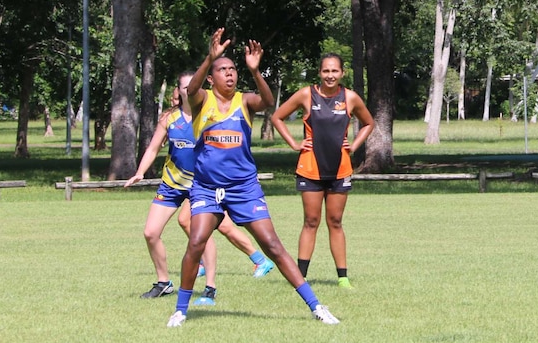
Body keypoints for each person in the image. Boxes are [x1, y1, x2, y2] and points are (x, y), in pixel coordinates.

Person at [167, 28, 339, 327]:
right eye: (224, 70)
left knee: (272, 245)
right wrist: (211, 57)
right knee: (195, 244)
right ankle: (181, 309)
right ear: (212, 77)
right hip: (207, 188)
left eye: (233, 70)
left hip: (243, 187)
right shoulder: (202, 100)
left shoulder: (245, 100)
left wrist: (256, 71)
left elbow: (269, 102)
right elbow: (190, 90)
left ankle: (316, 306)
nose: (230, 75)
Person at [126, 74, 275, 304]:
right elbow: (153, 148)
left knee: (200, 228)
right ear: (178, 91)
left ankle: (211, 287)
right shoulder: (169, 119)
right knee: (150, 232)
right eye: (184, 87)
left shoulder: (210, 114)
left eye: (191, 86)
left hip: (201, 185)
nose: (189, 90)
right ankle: (164, 282)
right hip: (173, 184)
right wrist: (140, 172)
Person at [270, 53, 374, 289]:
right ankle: (300, 277)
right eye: (326, 71)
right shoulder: (307, 94)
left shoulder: (350, 97)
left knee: (335, 221)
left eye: (334, 71)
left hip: (340, 169)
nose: (330, 75)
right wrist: (295, 144)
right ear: (319, 72)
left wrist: (354, 146)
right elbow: (277, 117)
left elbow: (369, 123)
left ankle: (343, 277)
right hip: (310, 169)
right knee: (311, 220)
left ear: (342, 73)